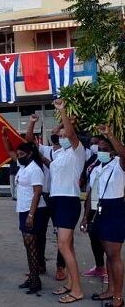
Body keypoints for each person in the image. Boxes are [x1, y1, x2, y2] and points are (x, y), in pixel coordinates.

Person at [49, 99, 85, 304]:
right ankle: (71, 283)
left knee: (63, 246)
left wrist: (62, 111)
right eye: (60, 136)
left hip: (68, 200)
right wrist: (62, 125)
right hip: (57, 200)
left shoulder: (77, 152)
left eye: (65, 136)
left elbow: (70, 135)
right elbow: (56, 132)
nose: (62, 137)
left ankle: (77, 290)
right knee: (68, 246)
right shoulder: (60, 153)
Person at [2, 131, 47, 294]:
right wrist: (5, 139)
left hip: (33, 211)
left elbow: (37, 192)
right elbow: (10, 152)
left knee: (32, 245)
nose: (19, 156)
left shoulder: (35, 169)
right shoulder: (23, 166)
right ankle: (32, 277)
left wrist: (30, 215)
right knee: (28, 245)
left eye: (22, 154)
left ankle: (36, 281)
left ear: (29, 154)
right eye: (19, 154)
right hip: (24, 210)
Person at [85, 126, 125, 307]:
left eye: (105, 149)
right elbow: (91, 192)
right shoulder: (96, 168)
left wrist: (110, 134)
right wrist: (86, 216)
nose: (101, 152)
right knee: (108, 255)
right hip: (99, 209)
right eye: (99, 149)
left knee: (114, 255)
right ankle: (109, 290)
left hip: (115, 208)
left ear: (112, 151)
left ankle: (117, 297)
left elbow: (124, 153)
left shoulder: (119, 164)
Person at [26, 114, 64, 278]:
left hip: (59, 198)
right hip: (44, 197)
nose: (56, 134)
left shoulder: (70, 152)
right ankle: (40, 264)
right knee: (39, 233)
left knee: (61, 234)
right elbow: (29, 140)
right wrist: (32, 123)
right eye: (55, 133)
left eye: (60, 133)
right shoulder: (45, 149)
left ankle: (60, 267)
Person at [80, 135, 106, 278]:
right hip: (93, 201)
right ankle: (100, 266)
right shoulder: (93, 161)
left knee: (106, 238)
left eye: (98, 144)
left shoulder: (114, 163)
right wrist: (85, 215)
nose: (95, 147)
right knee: (93, 234)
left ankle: (109, 270)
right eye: (94, 144)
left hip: (107, 203)